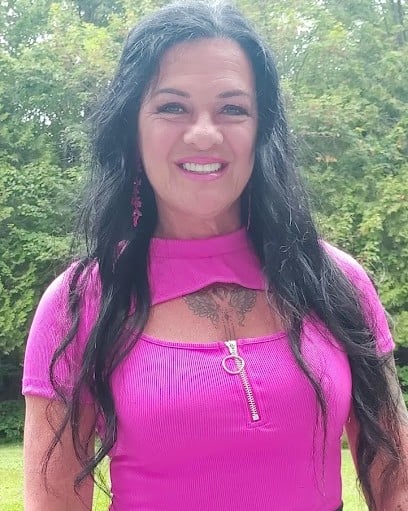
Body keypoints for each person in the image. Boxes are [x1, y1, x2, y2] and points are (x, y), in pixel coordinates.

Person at [22, 1, 408, 510]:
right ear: (132, 130)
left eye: (232, 109)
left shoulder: (336, 282)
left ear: (261, 130)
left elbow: (397, 484)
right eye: (172, 107)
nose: (204, 133)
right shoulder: (80, 303)